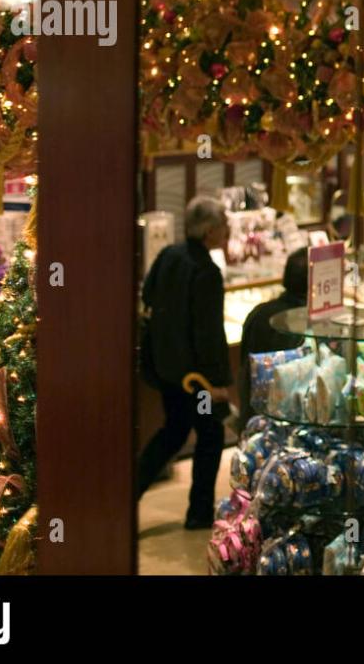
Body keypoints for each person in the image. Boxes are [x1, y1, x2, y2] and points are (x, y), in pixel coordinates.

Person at [136, 195, 233, 529]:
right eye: (224, 223)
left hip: (167, 370)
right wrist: (218, 384)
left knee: (175, 431)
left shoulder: (168, 255)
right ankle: (199, 513)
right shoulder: (207, 272)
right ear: (208, 231)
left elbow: (147, 297)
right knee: (209, 436)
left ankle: (127, 493)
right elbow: (208, 334)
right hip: (199, 381)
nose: (228, 229)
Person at [235, 247, 308, 434]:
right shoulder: (307, 323)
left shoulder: (259, 313)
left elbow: (245, 370)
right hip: (290, 426)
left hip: (254, 421)